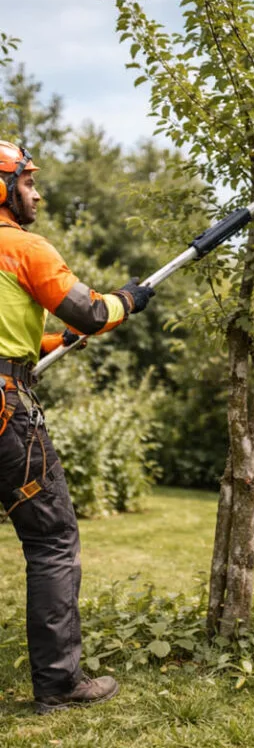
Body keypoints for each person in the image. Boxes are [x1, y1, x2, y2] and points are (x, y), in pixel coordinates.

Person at [0, 140, 155, 714]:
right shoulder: (22, 246)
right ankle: (60, 685)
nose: (36, 193)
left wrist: (50, 342)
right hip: (5, 414)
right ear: (3, 189)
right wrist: (129, 300)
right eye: (28, 183)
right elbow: (88, 309)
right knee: (52, 541)